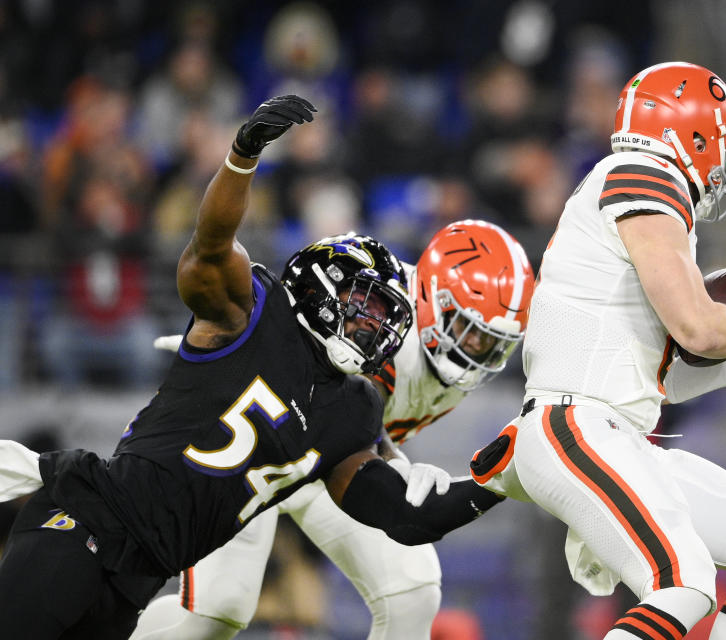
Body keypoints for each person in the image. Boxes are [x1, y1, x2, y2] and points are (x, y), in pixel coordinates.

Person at [0, 95, 503, 639]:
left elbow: (406, 517)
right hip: (84, 521)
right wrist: (242, 157)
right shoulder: (251, 313)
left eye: (385, 317)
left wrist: (503, 478)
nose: (374, 328)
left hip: (136, 580)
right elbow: (209, 247)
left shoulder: (352, 410)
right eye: (368, 308)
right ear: (325, 286)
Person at [469, 62, 726, 639]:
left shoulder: (641, 190)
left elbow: (646, 380)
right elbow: (699, 329)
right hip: (577, 426)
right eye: (721, 143)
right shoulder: (644, 175)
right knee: (682, 581)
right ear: (694, 135)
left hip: (607, 429)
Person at [131, 218, 535, 640]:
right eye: (468, 331)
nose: (476, 350)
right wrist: (394, 458)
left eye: (492, 342)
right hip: (260, 449)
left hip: (331, 464)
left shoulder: (448, 346)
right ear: (432, 297)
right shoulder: (379, 308)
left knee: (412, 591)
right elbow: (338, 405)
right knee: (217, 613)